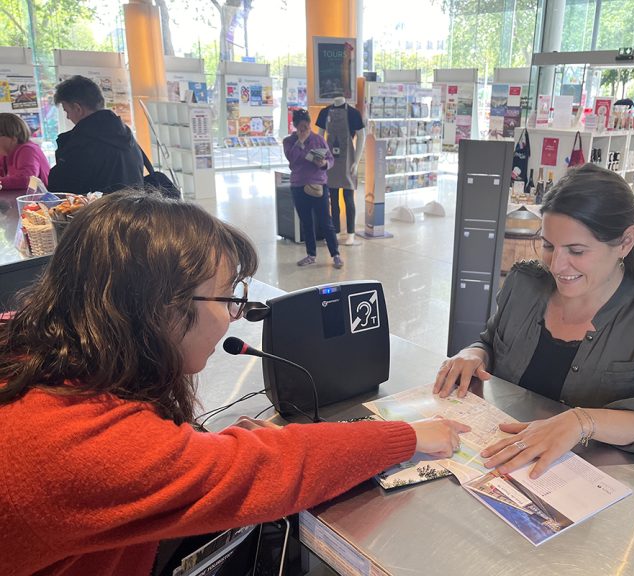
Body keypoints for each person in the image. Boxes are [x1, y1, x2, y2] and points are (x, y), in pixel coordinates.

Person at [0, 190, 468, 576]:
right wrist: (405, 435)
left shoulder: (38, 352)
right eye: (228, 298)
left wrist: (205, 451)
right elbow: (268, 469)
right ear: (162, 306)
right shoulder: (73, 443)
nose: (233, 317)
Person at [433, 164, 634, 480]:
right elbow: (491, 340)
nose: (557, 265)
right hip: (499, 467)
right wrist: (473, 354)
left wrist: (582, 421)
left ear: (624, 243)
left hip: (590, 484)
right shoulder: (525, 283)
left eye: (577, 251)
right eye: (549, 246)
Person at [47, 75, 143, 195]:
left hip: (99, 212)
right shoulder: (126, 135)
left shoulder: (82, 143)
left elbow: (60, 188)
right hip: (134, 211)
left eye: (67, 111)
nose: (68, 117)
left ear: (77, 108)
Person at [283, 108, 343, 269]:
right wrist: (300, 143)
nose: (304, 130)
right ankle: (311, 255)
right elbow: (292, 160)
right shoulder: (289, 142)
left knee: (325, 221)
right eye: (301, 128)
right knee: (306, 222)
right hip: (298, 185)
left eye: (307, 127)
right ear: (295, 126)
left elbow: (330, 160)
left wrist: (323, 163)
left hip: (319, 185)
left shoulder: (318, 140)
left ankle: (335, 254)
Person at [316, 95, 366, 245]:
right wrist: (320, 159)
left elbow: (361, 137)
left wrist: (356, 162)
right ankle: (336, 231)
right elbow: (320, 137)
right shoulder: (325, 112)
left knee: (348, 198)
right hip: (330, 160)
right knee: (333, 199)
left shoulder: (353, 113)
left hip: (347, 160)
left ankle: (351, 233)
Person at [0, 113, 50, 191]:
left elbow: (28, 179)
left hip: (40, 200)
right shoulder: (6, 154)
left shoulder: (28, 150)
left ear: (12, 137)